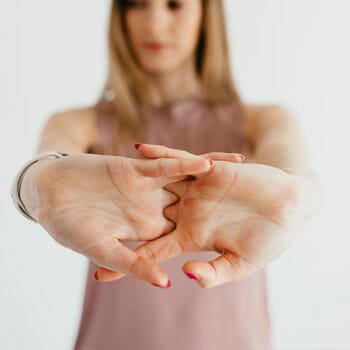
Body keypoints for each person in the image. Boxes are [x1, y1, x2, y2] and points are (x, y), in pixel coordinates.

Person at [15, 0, 323, 349]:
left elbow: (298, 176)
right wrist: (33, 187)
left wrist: (296, 199)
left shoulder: (264, 121)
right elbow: (43, 169)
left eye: (174, 5)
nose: (154, 23)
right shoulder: (77, 125)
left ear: (207, 14)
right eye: (137, 5)